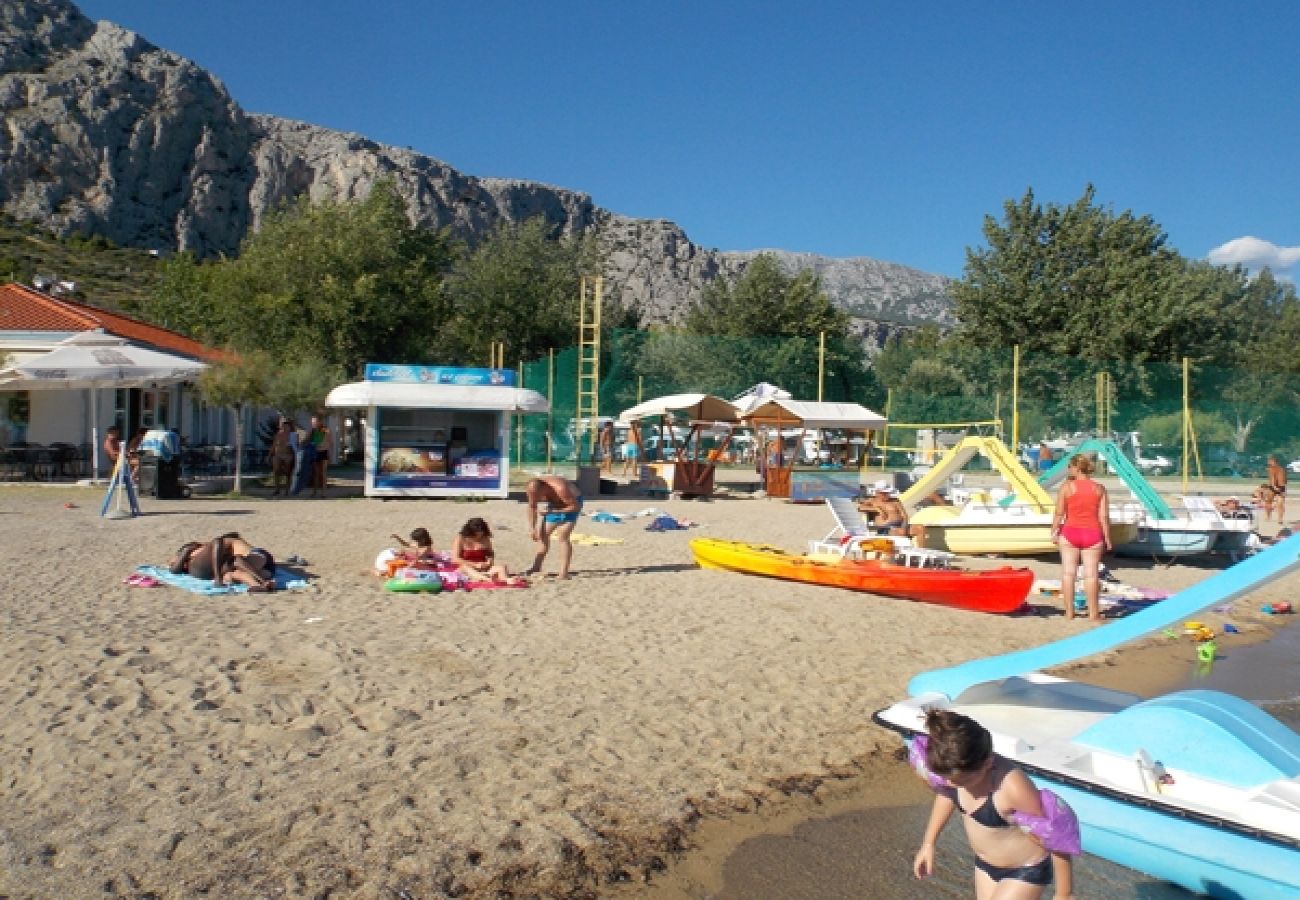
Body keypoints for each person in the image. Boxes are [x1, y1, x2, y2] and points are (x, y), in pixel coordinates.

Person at [912, 708, 1076, 898]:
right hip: (985, 865)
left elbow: (1054, 835)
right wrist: (928, 844)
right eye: (947, 779)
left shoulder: (1012, 789)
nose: (950, 784)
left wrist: (1064, 893)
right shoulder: (955, 772)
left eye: (960, 781)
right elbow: (947, 795)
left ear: (988, 763)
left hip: (1024, 870)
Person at [1050, 454, 1112, 621]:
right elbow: (1104, 517)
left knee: (1068, 573)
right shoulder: (1099, 488)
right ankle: (1093, 613)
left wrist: (1053, 531)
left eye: (1069, 467)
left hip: (1070, 532)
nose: (1068, 470)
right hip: (1093, 533)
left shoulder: (1067, 487)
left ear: (1076, 468)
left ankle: (1069, 612)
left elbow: (1059, 513)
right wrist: (1107, 538)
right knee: (1091, 575)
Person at [168, 533, 276, 592]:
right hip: (265, 569)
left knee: (235, 560)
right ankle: (258, 585)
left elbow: (217, 542)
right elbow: (174, 568)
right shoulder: (215, 554)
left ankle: (262, 582)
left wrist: (217, 577)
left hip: (257, 555)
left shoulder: (226, 542)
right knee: (233, 575)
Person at [525, 475, 582, 579]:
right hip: (554, 505)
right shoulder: (532, 490)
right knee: (542, 535)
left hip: (572, 503)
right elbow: (532, 506)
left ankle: (563, 573)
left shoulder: (561, 488)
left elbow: (576, 507)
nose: (537, 498)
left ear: (544, 488)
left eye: (538, 495)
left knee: (563, 536)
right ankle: (536, 567)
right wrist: (532, 528)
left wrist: (554, 511)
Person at [452, 517, 525, 585]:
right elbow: (455, 559)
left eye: (481, 533)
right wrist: (475, 565)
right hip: (467, 567)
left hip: (483, 568)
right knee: (466, 568)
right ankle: (488, 579)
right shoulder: (461, 538)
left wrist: (489, 561)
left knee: (502, 567)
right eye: (476, 534)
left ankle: (505, 579)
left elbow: (490, 553)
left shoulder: (485, 538)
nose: (479, 536)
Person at [269, 418, 297, 496]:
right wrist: (270, 454)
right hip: (278, 454)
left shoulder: (293, 435)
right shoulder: (278, 434)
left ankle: (287, 489)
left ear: (289, 427)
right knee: (276, 470)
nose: (284, 428)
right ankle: (277, 489)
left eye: (286, 426)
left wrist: (296, 455)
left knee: (288, 472)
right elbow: (274, 445)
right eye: (283, 426)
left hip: (288, 454)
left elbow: (296, 446)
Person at [308, 414, 332, 498]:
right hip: (315, 452)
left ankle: (323, 492)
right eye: (312, 422)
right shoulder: (312, 431)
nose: (313, 424)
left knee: (324, 473)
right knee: (316, 473)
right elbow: (308, 441)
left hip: (324, 452)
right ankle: (314, 491)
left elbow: (329, 442)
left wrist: (329, 454)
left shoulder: (325, 430)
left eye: (314, 422)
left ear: (319, 422)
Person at [1268, 455, 1287, 522]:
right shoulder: (1271, 469)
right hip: (1274, 487)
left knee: (1280, 503)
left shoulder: (1280, 469)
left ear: (1273, 461)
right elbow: (1273, 479)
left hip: (1279, 487)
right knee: (1269, 502)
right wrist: (1274, 487)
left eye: (1270, 461)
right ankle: (1269, 516)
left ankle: (1280, 519)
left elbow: (1283, 480)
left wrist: (1276, 487)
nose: (1268, 462)